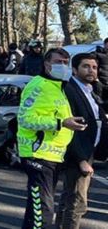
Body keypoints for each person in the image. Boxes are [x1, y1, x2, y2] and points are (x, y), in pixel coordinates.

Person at [18, 48, 88, 229]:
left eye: (66, 62)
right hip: (38, 155)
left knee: (35, 211)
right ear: (46, 64)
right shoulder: (39, 85)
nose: (63, 66)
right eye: (58, 62)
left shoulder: (60, 87)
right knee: (43, 213)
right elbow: (25, 119)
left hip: (53, 157)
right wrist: (61, 123)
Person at [56, 52, 107, 229]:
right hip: (79, 154)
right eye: (86, 66)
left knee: (69, 198)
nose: (91, 70)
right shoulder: (70, 90)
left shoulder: (90, 90)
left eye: (94, 67)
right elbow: (70, 129)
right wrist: (81, 160)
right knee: (77, 203)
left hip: (90, 151)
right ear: (75, 69)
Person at [94, 37, 108, 105]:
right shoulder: (97, 54)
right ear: (105, 44)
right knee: (99, 103)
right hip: (99, 83)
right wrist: (97, 80)